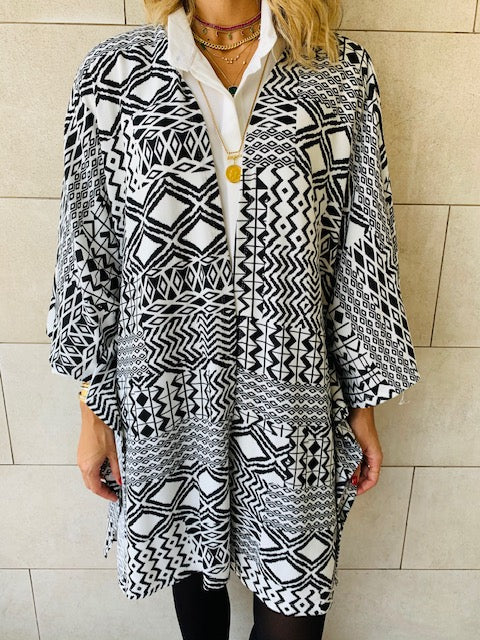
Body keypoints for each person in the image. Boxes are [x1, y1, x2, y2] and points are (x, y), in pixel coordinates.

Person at [45, 0, 421, 638]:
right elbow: (88, 256)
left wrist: (362, 403)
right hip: (167, 394)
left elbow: (362, 251)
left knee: (295, 609)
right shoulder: (114, 76)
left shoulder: (338, 75)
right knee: (194, 593)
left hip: (292, 394)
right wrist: (92, 413)